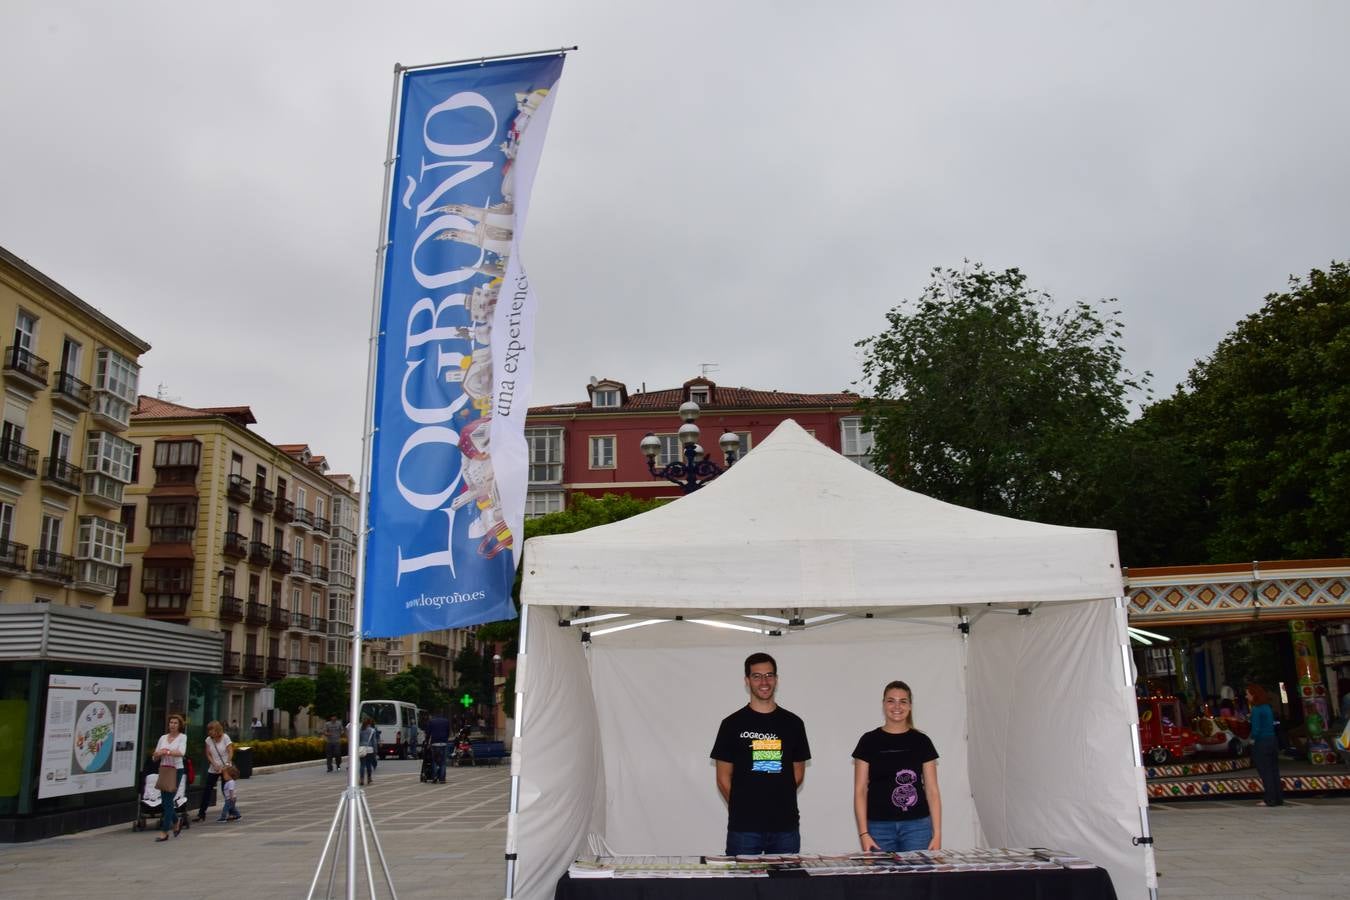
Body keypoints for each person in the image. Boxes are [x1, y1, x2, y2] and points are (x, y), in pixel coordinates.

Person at [710, 652, 811, 855]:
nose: (764, 681)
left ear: (776, 679)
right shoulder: (731, 724)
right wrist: (744, 806)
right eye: (757, 676)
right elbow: (722, 778)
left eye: (769, 675)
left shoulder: (793, 723)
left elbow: (797, 775)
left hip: (785, 827)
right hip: (744, 829)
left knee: (786, 886)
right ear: (747, 681)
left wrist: (774, 802)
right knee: (743, 887)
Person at [852, 680, 942, 852]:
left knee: (917, 879)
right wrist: (864, 833)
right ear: (883, 704)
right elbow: (860, 790)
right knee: (882, 880)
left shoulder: (922, 741)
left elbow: (932, 790)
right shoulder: (868, 741)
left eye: (903, 701)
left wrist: (937, 834)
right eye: (891, 700)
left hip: (917, 827)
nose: (897, 706)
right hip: (878, 828)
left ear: (910, 706)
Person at [152, 712, 188, 842]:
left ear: (179, 725)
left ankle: (164, 831)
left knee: (168, 800)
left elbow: (181, 752)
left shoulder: (182, 737)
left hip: (176, 770)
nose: (172, 725)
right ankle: (176, 820)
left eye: (175, 723)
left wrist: (167, 751)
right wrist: (158, 753)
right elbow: (155, 755)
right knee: (165, 801)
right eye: (171, 722)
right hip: (164, 769)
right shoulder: (163, 738)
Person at [1247, 683, 1283, 807]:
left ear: (1254, 695)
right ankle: (1278, 798)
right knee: (1273, 770)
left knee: (1265, 772)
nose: (1247, 697)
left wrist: (1251, 740)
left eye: (1248, 694)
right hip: (1272, 740)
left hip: (1261, 742)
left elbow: (1256, 730)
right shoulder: (1267, 707)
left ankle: (1270, 799)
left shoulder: (1256, 710)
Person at [194, 720, 234, 822]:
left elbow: (230, 751)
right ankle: (201, 814)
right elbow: (208, 754)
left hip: (225, 768)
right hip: (214, 768)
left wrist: (227, 763)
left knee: (226, 790)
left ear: (217, 729)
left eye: (212, 730)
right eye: (209, 730)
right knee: (207, 790)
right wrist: (214, 764)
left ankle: (231, 812)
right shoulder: (208, 740)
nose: (210, 732)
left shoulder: (225, 737)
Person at [425, 712, 451, 783]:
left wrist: (427, 742)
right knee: (443, 762)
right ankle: (442, 779)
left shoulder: (431, 722)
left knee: (434, 761)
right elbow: (448, 732)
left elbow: (428, 733)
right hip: (443, 743)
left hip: (434, 743)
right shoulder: (446, 721)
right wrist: (446, 739)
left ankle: (435, 777)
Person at [358, 717, 379, 786]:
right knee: (368, 764)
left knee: (362, 765)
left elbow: (358, 740)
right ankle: (369, 778)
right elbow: (374, 742)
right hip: (370, 749)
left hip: (361, 748)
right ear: (370, 723)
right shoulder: (372, 730)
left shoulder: (360, 730)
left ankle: (361, 779)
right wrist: (375, 750)